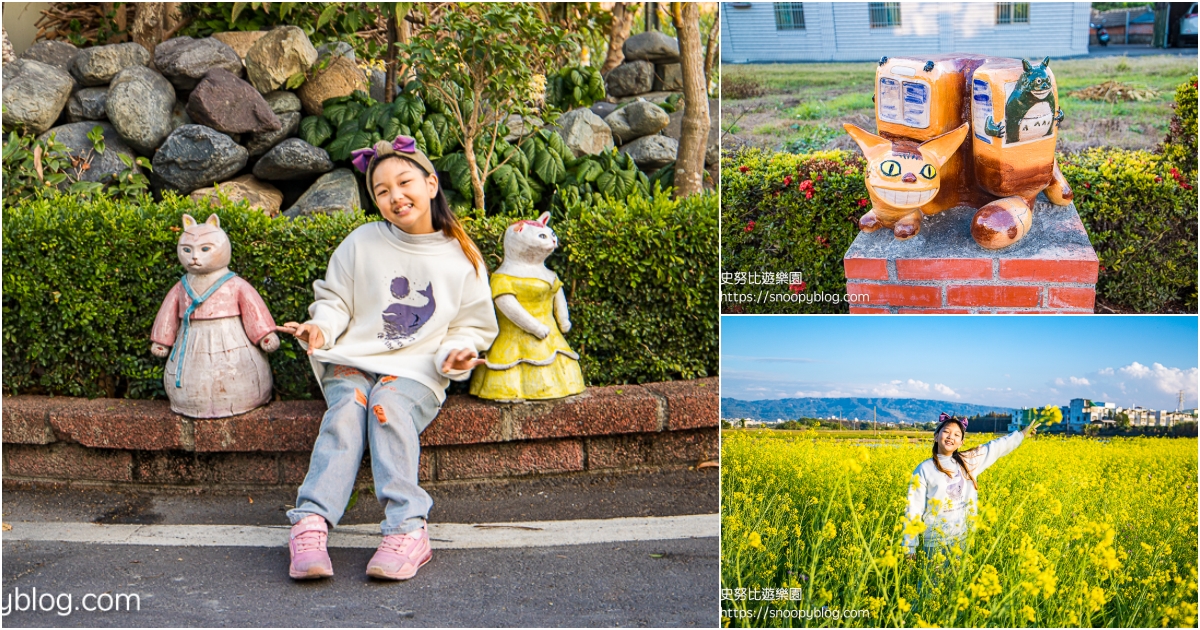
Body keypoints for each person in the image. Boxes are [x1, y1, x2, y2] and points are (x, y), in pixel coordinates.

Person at [276, 135, 498, 581]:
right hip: (354, 358)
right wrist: (321, 327)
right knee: (349, 408)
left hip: (417, 369)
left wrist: (458, 354)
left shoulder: (462, 258)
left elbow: (471, 327)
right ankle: (311, 523)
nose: (395, 196)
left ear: (431, 183)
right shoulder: (362, 242)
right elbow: (336, 300)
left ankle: (407, 528)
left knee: (386, 406)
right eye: (381, 191)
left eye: (404, 183)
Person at [903, 413, 1041, 558]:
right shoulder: (924, 469)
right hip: (936, 542)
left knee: (958, 580)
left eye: (957, 434)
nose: (951, 437)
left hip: (962, 538)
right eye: (946, 432)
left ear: (961, 442)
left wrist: (1021, 435)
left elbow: (994, 447)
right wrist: (909, 546)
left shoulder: (967, 462)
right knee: (933, 580)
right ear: (936, 437)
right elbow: (913, 508)